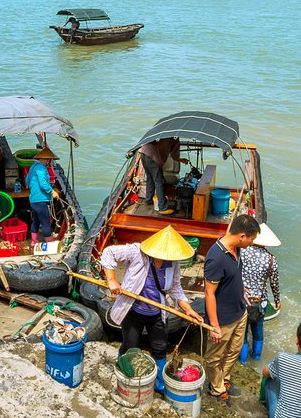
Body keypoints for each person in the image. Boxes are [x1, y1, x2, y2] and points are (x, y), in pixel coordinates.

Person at [99, 226, 206, 393]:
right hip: (133, 310)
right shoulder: (137, 252)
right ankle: (124, 372)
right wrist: (112, 280)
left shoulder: (173, 263)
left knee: (160, 346)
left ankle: (159, 382)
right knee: (130, 344)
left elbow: (176, 288)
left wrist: (188, 309)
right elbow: (108, 253)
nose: (165, 259)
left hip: (156, 313)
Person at [203, 214, 260, 402]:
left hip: (240, 311)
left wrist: (240, 289)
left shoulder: (236, 248)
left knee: (234, 350)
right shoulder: (216, 258)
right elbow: (209, 293)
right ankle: (216, 388)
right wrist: (214, 325)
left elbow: (232, 276)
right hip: (223, 318)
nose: (251, 243)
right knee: (214, 357)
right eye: (251, 239)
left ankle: (224, 378)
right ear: (242, 236)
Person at [240, 222, 283, 362]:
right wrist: (277, 301)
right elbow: (274, 283)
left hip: (242, 299)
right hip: (260, 302)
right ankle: (257, 358)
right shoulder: (271, 260)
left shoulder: (242, 252)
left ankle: (243, 361)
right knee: (258, 332)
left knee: (242, 334)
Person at [26, 146, 61, 246]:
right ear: (45, 159)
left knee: (36, 220)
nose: (48, 162)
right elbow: (43, 183)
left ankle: (34, 241)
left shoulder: (33, 166)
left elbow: (27, 180)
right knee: (45, 222)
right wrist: (52, 191)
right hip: (40, 199)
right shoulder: (41, 168)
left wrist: (34, 188)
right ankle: (49, 241)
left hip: (33, 199)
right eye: (48, 160)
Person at [135, 138, 172, 213]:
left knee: (150, 178)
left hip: (143, 153)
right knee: (159, 181)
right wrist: (181, 160)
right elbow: (175, 153)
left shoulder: (161, 131)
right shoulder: (174, 138)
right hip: (152, 156)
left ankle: (148, 200)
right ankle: (162, 207)